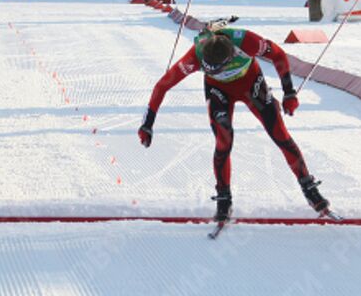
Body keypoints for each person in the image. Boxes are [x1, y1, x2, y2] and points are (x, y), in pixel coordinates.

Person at [138, 25, 330, 222]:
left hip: (250, 83)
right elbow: (162, 86)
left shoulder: (247, 42)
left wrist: (289, 92)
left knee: (280, 134)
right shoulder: (194, 57)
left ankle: (308, 187)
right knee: (223, 140)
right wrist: (148, 123)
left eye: (219, 67)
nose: (216, 70)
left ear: (230, 56)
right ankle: (224, 198)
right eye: (209, 68)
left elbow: (278, 55)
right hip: (219, 90)